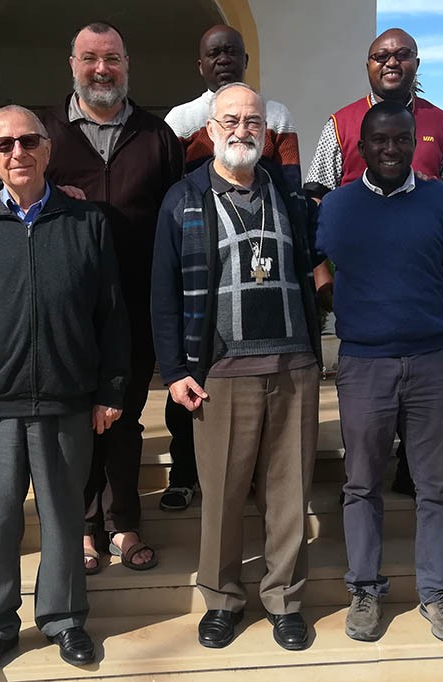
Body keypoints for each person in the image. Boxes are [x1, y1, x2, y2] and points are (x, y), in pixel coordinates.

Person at [0, 106, 130, 678]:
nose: (17, 153)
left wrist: (110, 388)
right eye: (4, 145)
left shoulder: (87, 223)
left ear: (47, 149)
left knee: (66, 520)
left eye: (28, 142)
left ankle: (65, 619)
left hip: (67, 402)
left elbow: (112, 316)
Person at [152, 83, 323, 651]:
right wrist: (175, 369)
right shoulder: (183, 198)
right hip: (220, 371)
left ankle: (284, 599)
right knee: (222, 495)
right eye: (230, 120)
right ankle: (223, 598)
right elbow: (163, 295)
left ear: (267, 132)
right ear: (210, 128)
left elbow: (317, 272)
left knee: (288, 493)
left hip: (293, 365)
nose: (242, 129)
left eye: (252, 121)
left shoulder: (291, 198)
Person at [315, 100, 443, 645]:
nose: (391, 149)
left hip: (433, 361)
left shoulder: (439, 202)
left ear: (416, 143)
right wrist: (328, 289)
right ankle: (364, 588)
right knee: (361, 484)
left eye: (402, 139)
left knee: (436, 487)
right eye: (379, 141)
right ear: (360, 149)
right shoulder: (337, 206)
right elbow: (305, 258)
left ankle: (436, 593)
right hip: (363, 365)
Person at [306, 27, 443, 496]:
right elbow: (315, 202)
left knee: (425, 423)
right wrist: (325, 282)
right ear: (368, 65)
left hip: (424, 288)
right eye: (381, 55)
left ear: (417, 64)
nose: (392, 62)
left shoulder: (440, 123)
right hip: (362, 293)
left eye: (403, 55)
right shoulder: (340, 123)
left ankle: (411, 471)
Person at [42, 21, 184, 573]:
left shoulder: (156, 136)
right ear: (72, 64)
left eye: (113, 59)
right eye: (90, 59)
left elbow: (179, 220)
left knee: (124, 417)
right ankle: (84, 528)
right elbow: (16, 192)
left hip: (138, 304)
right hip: (67, 310)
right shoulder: (44, 131)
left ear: (127, 64)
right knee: (78, 417)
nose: (102, 69)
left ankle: (124, 524)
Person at [158, 24, 303, 512]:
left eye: (231, 52)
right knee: (191, 371)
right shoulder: (182, 119)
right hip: (201, 245)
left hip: (259, 243)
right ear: (200, 65)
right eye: (212, 53)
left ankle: (259, 477)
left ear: (246, 59)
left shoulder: (275, 115)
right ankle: (183, 472)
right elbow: (175, 186)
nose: (222, 59)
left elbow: (289, 187)